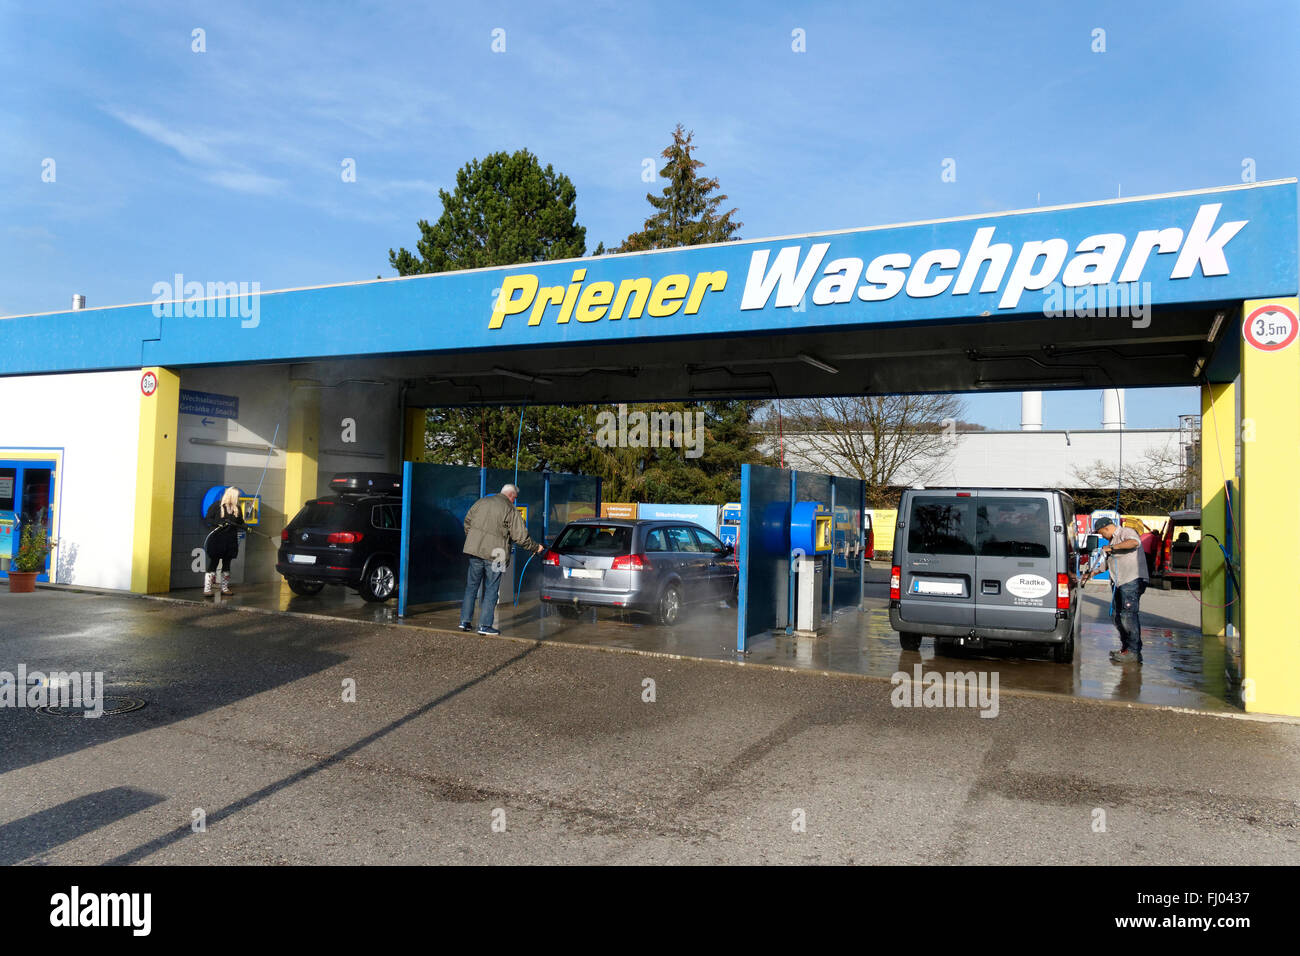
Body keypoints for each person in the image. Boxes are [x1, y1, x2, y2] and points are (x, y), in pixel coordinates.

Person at [460, 484, 544, 635]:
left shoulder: (482, 502)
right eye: (515, 498)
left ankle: (465, 622)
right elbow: (521, 537)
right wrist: (535, 547)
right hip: (497, 553)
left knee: (472, 586)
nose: (514, 501)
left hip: (474, 550)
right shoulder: (510, 509)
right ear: (511, 495)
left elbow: (467, 522)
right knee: (492, 589)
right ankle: (485, 626)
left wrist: (473, 540)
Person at [1081, 516, 1147, 665]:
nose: (1102, 536)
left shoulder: (1125, 532)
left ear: (1106, 528)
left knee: (1128, 616)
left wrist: (1112, 547)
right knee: (1117, 616)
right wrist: (1092, 573)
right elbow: (1108, 564)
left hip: (1132, 580)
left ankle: (1134, 652)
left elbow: (1134, 543)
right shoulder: (1112, 542)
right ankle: (1126, 648)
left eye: (1101, 533)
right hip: (1119, 582)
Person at [203, 486, 245, 598]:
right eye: (237, 496)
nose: (239, 498)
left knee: (227, 564)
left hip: (230, 540)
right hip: (217, 539)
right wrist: (218, 523)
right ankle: (207, 589)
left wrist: (245, 526)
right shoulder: (217, 506)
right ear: (232, 496)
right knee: (214, 562)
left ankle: (224, 588)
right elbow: (208, 519)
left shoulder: (237, 508)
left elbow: (241, 523)